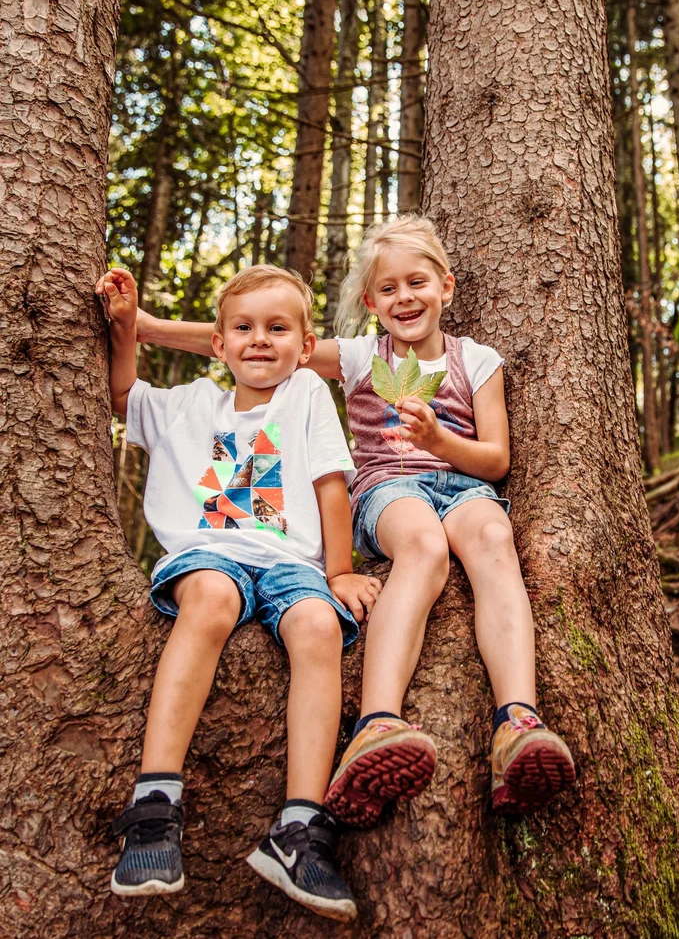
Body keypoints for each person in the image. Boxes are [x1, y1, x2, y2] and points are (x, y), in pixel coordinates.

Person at [135, 215, 576, 830]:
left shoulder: (477, 360)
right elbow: (262, 338)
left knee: (494, 538)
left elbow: (496, 459)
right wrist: (149, 329)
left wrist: (441, 441)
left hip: (466, 482)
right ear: (371, 302)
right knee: (423, 546)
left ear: (445, 286)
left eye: (417, 282)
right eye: (388, 289)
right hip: (388, 490)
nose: (405, 298)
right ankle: (378, 721)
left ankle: (516, 721)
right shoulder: (362, 356)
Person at [97, 263, 380, 921]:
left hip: (293, 562)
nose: (260, 340)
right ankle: (155, 805)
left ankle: (299, 827)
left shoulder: (306, 393)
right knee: (212, 602)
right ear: (218, 343)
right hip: (210, 554)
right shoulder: (193, 402)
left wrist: (338, 573)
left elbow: (330, 487)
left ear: (305, 347)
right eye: (244, 328)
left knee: (317, 625)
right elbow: (122, 396)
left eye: (278, 328)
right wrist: (124, 328)